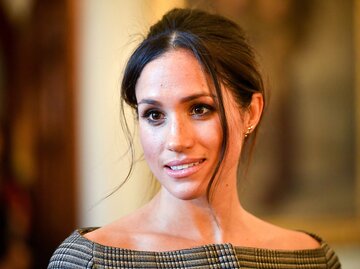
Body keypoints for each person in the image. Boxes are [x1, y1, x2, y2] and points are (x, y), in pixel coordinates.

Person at [48, 8, 341, 269]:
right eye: (154, 115)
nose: (176, 140)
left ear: (250, 112)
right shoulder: (90, 261)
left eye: (200, 109)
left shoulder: (312, 259)